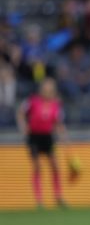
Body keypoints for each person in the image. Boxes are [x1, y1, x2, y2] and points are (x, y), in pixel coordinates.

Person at [16, 78, 68, 209]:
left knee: (55, 166)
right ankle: (39, 200)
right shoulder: (32, 101)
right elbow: (20, 113)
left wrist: (63, 135)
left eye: (51, 89)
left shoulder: (56, 105)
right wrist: (23, 127)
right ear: (41, 89)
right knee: (37, 166)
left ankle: (58, 196)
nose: (48, 91)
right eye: (46, 88)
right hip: (34, 137)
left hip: (48, 137)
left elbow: (58, 122)